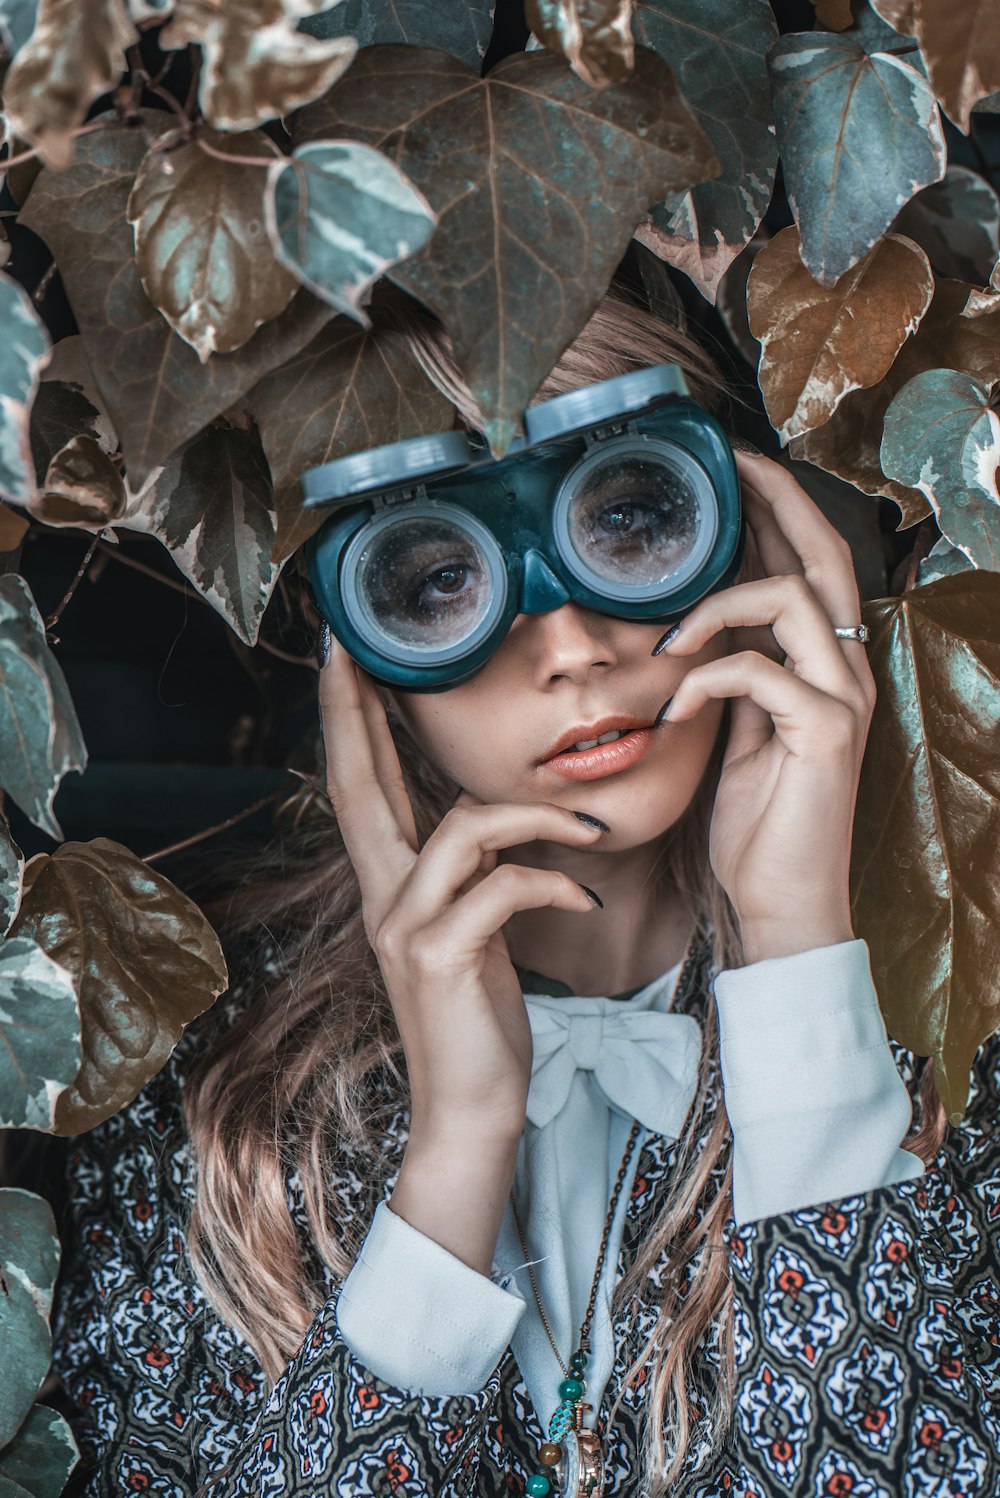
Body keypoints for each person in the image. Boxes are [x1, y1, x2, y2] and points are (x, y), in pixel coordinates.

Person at [53, 291, 998, 1498]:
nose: (568, 645)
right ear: (353, 649)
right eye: (438, 575)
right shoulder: (197, 1112)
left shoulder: (964, 1043)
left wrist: (801, 958)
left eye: (633, 513)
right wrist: (455, 1144)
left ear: (754, 532)